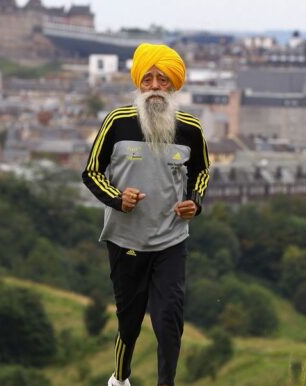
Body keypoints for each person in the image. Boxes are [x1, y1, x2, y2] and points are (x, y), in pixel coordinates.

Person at [82, 42, 210, 386]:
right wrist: (117, 198)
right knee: (130, 320)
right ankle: (121, 378)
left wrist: (193, 202)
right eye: (149, 79)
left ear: (174, 84)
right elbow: (92, 172)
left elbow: (201, 173)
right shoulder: (117, 122)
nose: (155, 87)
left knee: (169, 318)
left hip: (171, 239)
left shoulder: (190, 129)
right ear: (139, 83)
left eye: (163, 80)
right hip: (126, 240)